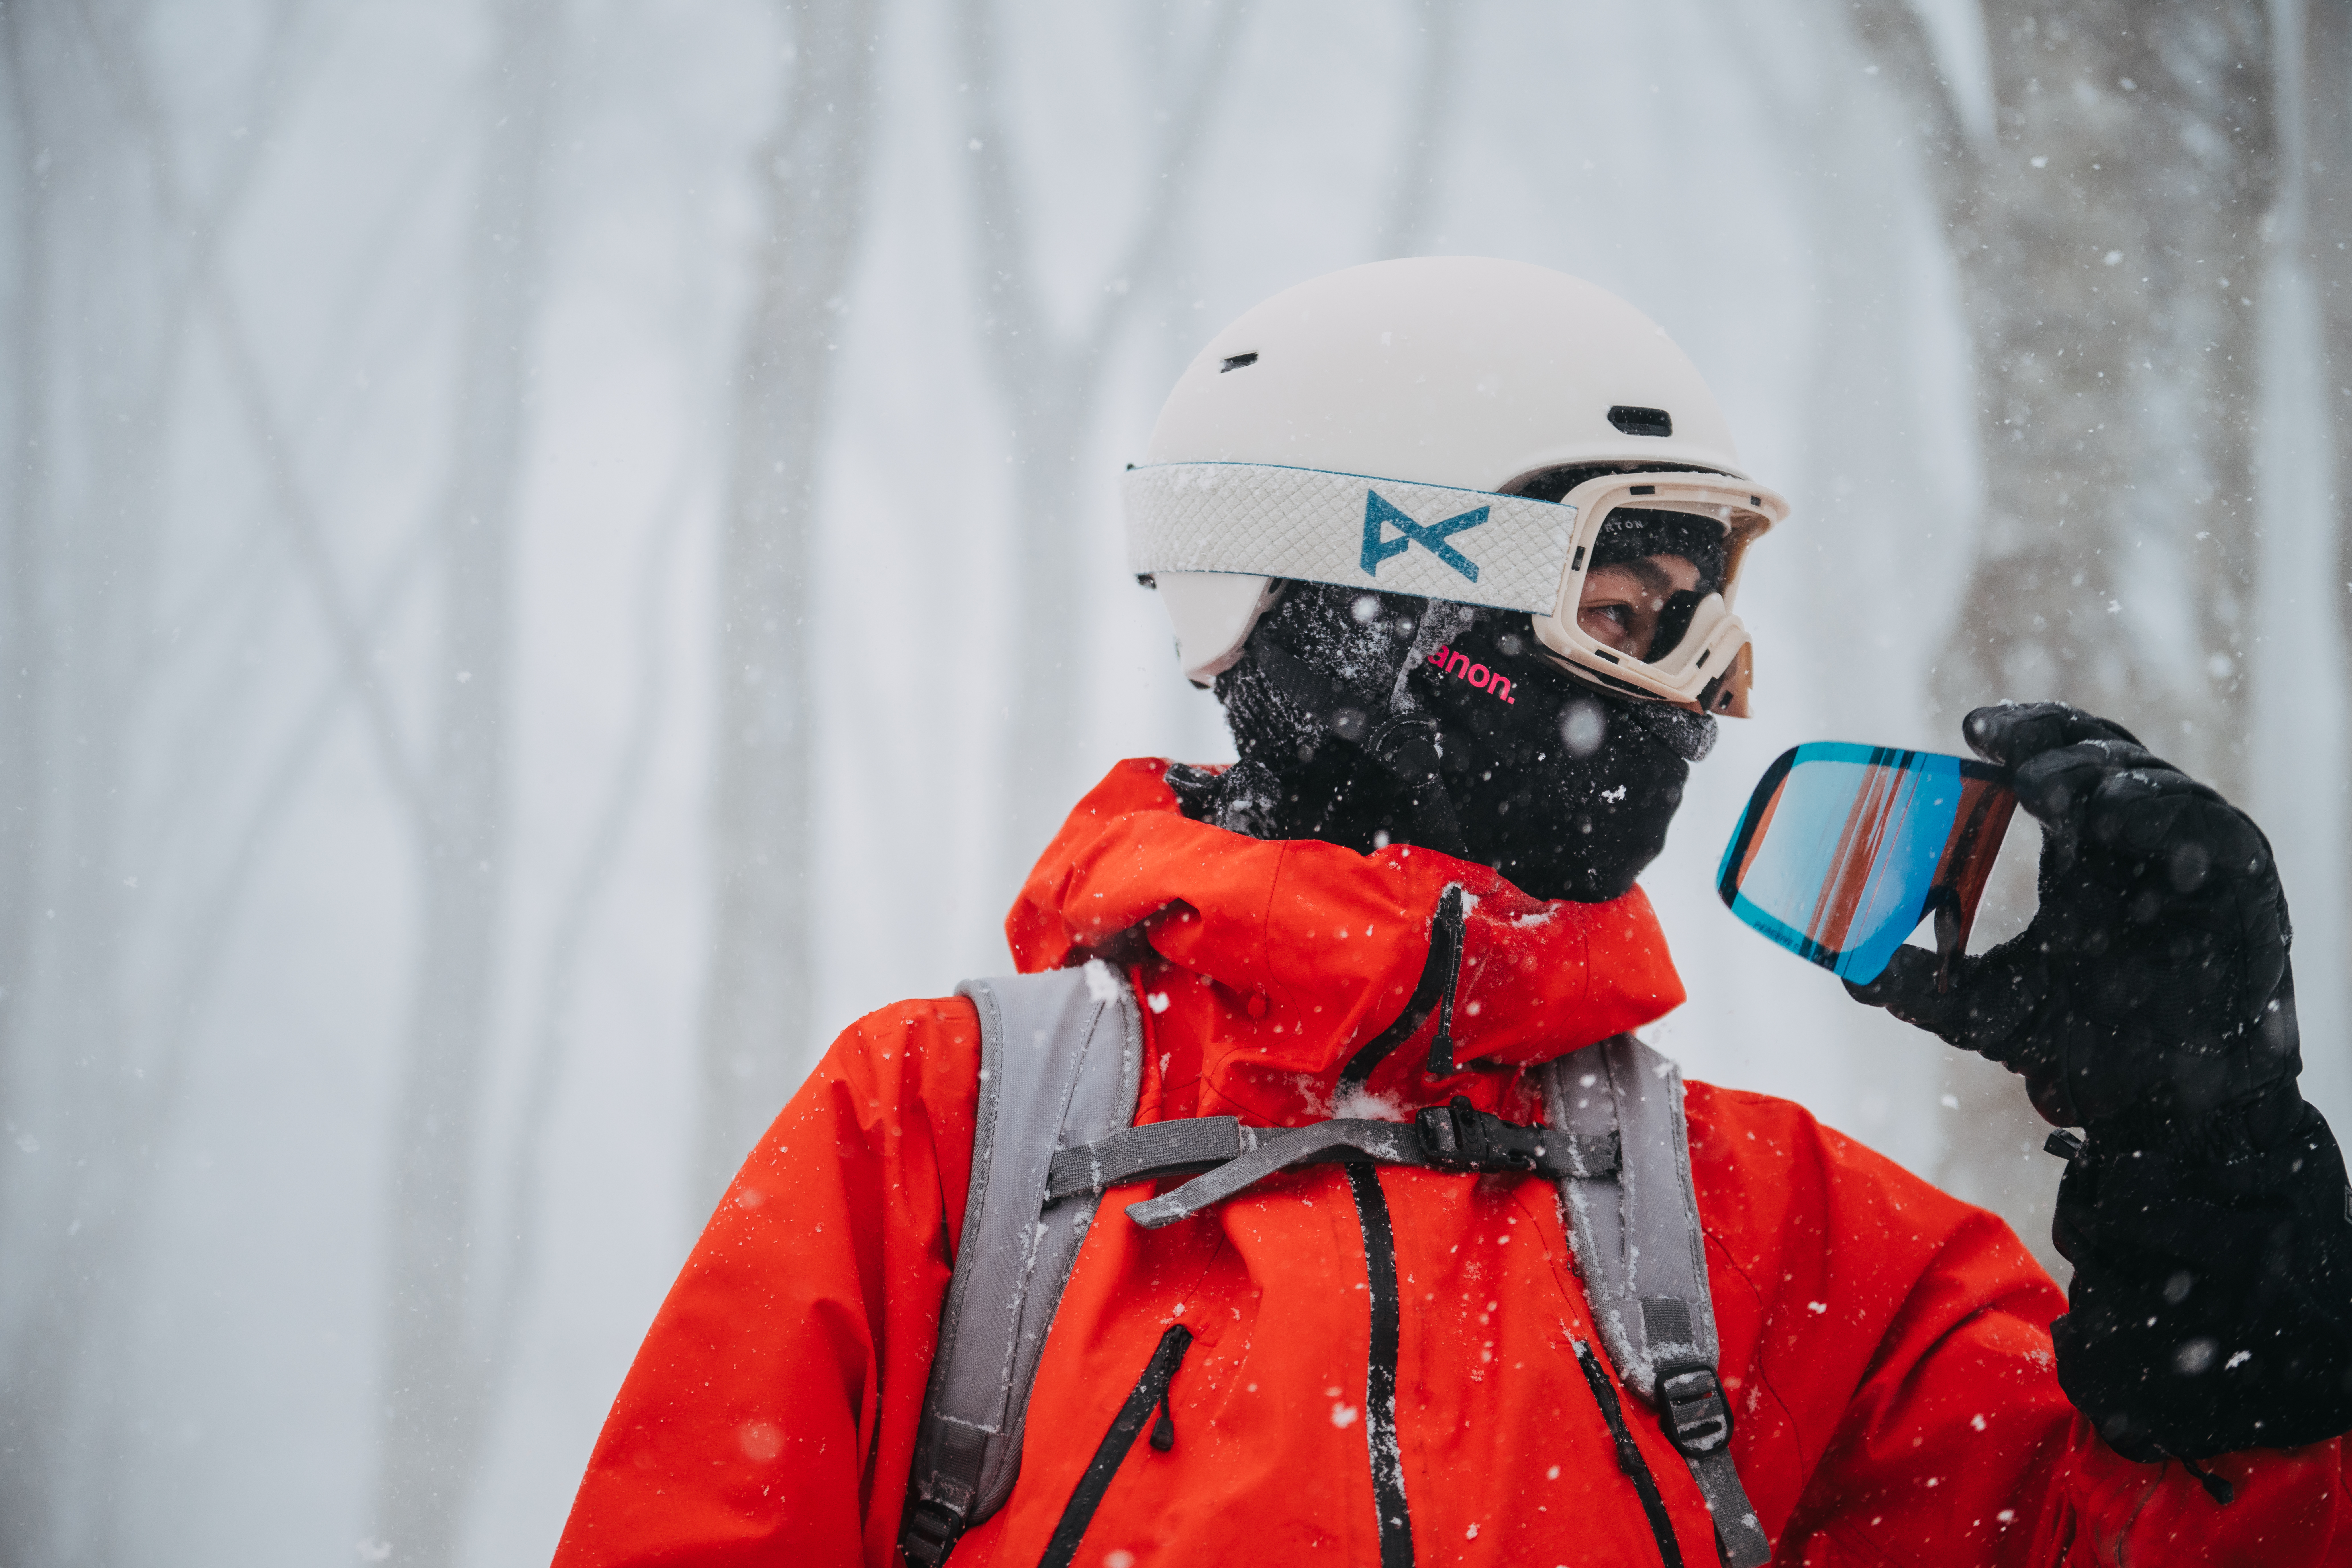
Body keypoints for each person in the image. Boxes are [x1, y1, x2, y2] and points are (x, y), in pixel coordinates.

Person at [552, 258, 2352, 1567]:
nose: (1699, 707)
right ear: (1374, 586)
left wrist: (2210, 1173)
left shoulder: (1761, 1237)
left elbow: (2185, 1543)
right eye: (1636, 614)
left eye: (1707, 631)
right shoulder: (942, 1135)